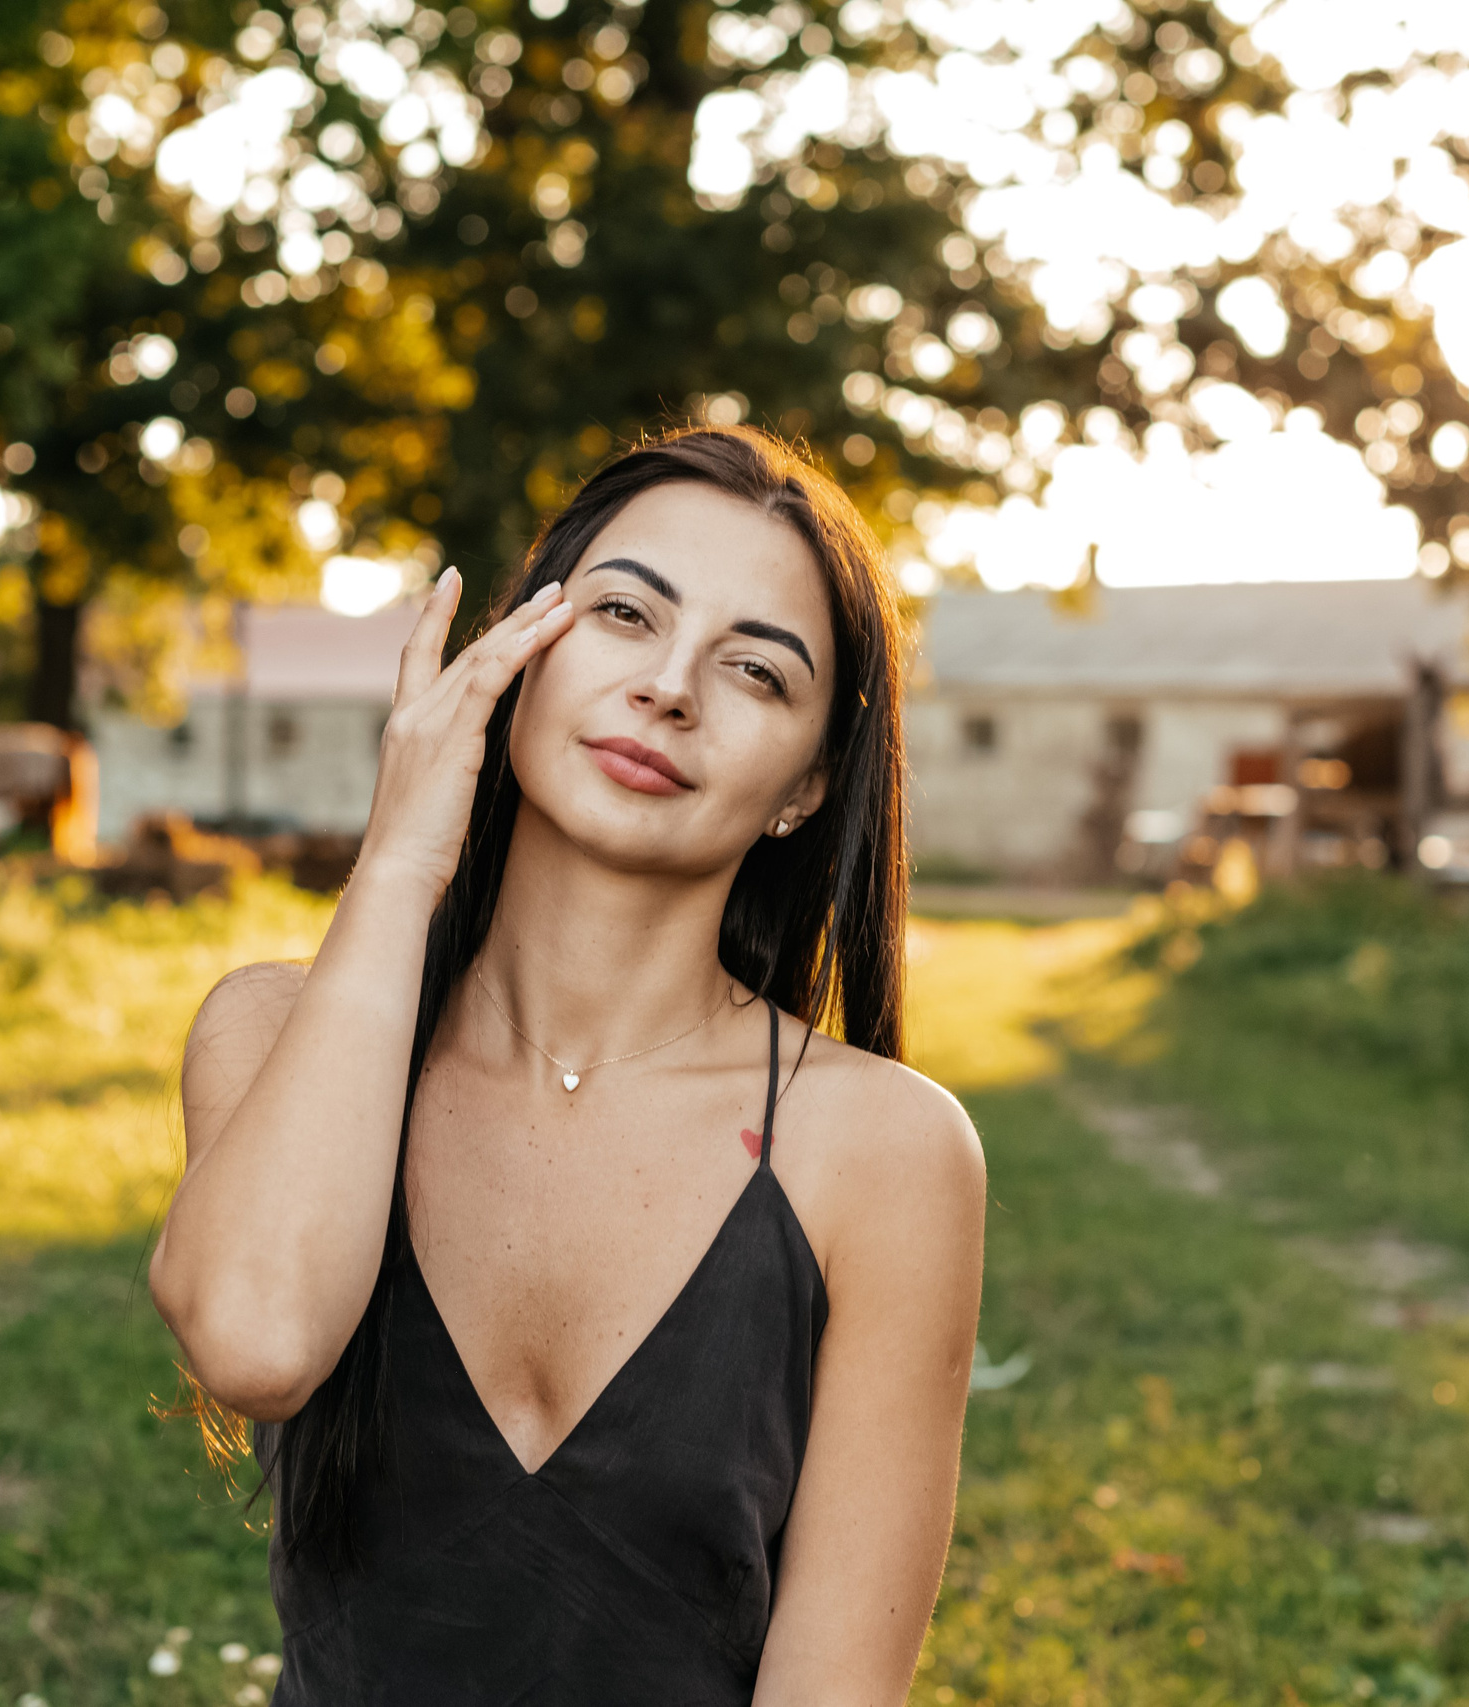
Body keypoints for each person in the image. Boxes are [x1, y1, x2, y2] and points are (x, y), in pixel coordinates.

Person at [153, 424, 985, 1704]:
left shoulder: (884, 1153)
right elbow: (258, 1344)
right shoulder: (270, 1035)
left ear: (805, 788)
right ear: (518, 651)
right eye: (621, 614)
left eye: (757, 672)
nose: (669, 688)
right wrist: (398, 862)